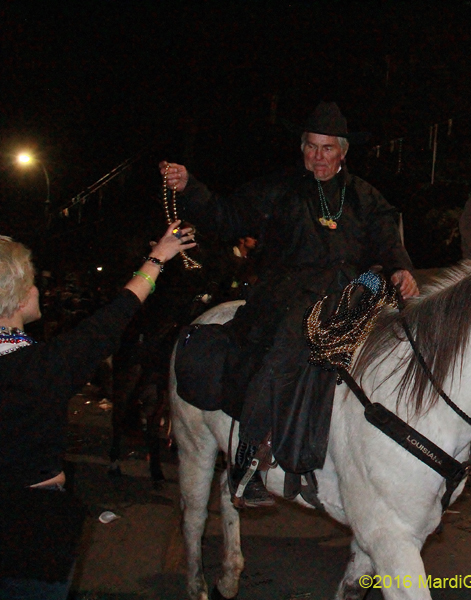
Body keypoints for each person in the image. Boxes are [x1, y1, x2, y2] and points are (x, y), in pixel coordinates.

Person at [160, 101, 418, 508]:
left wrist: (401, 268)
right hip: (288, 293)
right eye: (311, 147)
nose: (318, 156)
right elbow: (226, 217)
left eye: (327, 148)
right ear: (302, 148)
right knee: (285, 351)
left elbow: (388, 238)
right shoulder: (277, 189)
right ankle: (247, 459)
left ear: (343, 151)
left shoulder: (366, 196)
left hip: (352, 291)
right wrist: (191, 186)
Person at [0, 222, 194, 600]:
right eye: (33, 282)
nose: (39, 288)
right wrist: (156, 260)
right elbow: (112, 318)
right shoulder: (43, 367)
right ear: (20, 296)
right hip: (31, 532)